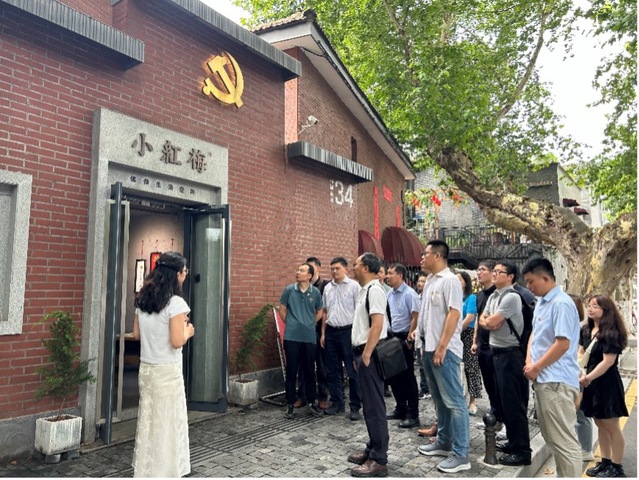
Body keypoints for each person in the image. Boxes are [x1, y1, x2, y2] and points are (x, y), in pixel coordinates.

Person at [132, 251, 195, 477]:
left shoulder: (143, 300)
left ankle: (148, 469)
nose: (185, 275)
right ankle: (167, 471)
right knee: (168, 423)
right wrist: (188, 331)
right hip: (167, 370)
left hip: (147, 369)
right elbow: (177, 341)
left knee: (149, 421)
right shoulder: (176, 303)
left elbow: (136, 335)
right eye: (184, 272)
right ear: (177, 274)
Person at [412, 240, 470, 474]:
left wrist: (442, 346)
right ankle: (444, 441)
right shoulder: (430, 281)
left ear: (437, 256)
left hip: (444, 350)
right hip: (428, 348)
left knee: (455, 401)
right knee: (440, 399)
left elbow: (454, 314)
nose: (421, 258)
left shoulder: (450, 281)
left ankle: (461, 453)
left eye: (425, 254)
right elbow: (427, 315)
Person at [522, 257, 582, 477]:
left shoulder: (561, 303)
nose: (528, 286)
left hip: (556, 381)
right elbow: (535, 335)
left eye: (531, 281)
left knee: (564, 442)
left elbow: (563, 343)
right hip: (544, 379)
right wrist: (529, 362)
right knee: (553, 439)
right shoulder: (542, 302)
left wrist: (536, 367)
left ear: (546, 278)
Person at [479, 261, 531, 466]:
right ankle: (513, 441)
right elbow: (484, 320)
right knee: (503, 401)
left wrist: (490, 321)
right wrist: (490, 321)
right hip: (497, 353)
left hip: (511, 355)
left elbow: (491, 322)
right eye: (494, 271)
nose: (494, 274)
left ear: (510, 277)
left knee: (514, 402)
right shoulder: (494, 296)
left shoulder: (511, 297)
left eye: (499, 272)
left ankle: (522, 451)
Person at [347, 253, 390, 477]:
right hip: (363, 353)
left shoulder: (375, 290)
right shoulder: (365, 290)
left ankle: (379, 459)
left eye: (355, 264)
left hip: (369, 354)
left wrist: (366, 355)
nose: (352, 267)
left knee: (374, 406)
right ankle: (373, 448)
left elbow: (377, 324)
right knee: (369, 404)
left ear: (365, 268)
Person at [580, 295, 629, 478]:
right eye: (589, 305)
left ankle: (617, 466)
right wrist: (581, 373)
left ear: (606, 310)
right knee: (599, 422)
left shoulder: (611, 333)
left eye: (595, 306)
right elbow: (580, 352)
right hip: (590, 381)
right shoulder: (586, 330)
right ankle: (605, 461)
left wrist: (588, 378)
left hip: (606, 383)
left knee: (611, 424)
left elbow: (608, 362)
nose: (590, 309)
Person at [279, 263, 324, 419]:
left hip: (309, 337)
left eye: (302, 271)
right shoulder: (289, 290)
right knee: (291, 371)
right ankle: (290, 404)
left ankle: (311, 402)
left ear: (309, 276)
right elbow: (282, 309)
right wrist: (291, 323)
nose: (298, 272)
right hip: (291, 337)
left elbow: (320, 311)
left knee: (309, 370)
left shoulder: (315, 292)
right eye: (298, 270)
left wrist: (310, 323)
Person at [321, 257, 362, 420]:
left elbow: (359, 312)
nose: (334, 271)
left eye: (337, 268)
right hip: (331, 331)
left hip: (348, 332)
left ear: (345, 269)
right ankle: (337, 402)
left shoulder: (354, 287)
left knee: (352, 371)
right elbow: (325, 312)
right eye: (332, 269)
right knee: (332, 370)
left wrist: (357, 335)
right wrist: (323, 333)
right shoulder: (327, 288)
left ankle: (355, 406)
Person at [385, 263, 421, 428]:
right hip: (392, 337)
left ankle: (413, 414)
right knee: (394, 376)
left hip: (405, 337)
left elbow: (416, 316)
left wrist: (409, 339)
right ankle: (400, 408)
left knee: (407, 377)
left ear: (400, 275)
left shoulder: (409, 294)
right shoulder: (389, 294)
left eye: (390, 273)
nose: (387, 276)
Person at [292, 257, 330, 409]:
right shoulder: (299, 288)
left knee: (321, 365)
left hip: (319, 330)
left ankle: (322, 396)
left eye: (311, 267)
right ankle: (302, 396)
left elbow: (325, 311)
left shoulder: (325, 286)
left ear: (317, 269)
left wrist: (322, 332)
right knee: (302, 365)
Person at [471, 260, 503, 432]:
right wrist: (475, 340)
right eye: (478, 269)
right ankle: (494, 416)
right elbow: (479, 319)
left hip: (495, 347)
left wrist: (486, 322)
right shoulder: (479, 296)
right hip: (482, 346)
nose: (478, 272)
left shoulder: (497, 294)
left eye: (482, 269)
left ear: (492, 273)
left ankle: (502, 418)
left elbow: (493, 321)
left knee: (499, 385)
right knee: (489, 384)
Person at [569, 294, 595, 463]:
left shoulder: (579, 328)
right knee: (578, 412)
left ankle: (586, 449)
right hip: (574, 372)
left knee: (581, 413)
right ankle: (582, 447)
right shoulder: (576, 327)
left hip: (580, 373)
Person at [456, 271, 482, 416]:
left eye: (459, 280)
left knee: (471, 367)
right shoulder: (454, 297)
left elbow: (470, 317)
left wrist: (456, 330)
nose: (457, 282)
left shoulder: (471, 298)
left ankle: (473, 401)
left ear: (466, 282)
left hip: (468, 333)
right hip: (455, 335)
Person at [414, 274, 430, 400]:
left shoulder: (428, 298)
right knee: (420, 362)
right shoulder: (417, 297)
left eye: (423, 281)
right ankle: (424, 387)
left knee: (425, 362)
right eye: (419, 281)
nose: (420, 284)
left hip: (427, 335)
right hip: (418, 333)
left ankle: (427, 387)